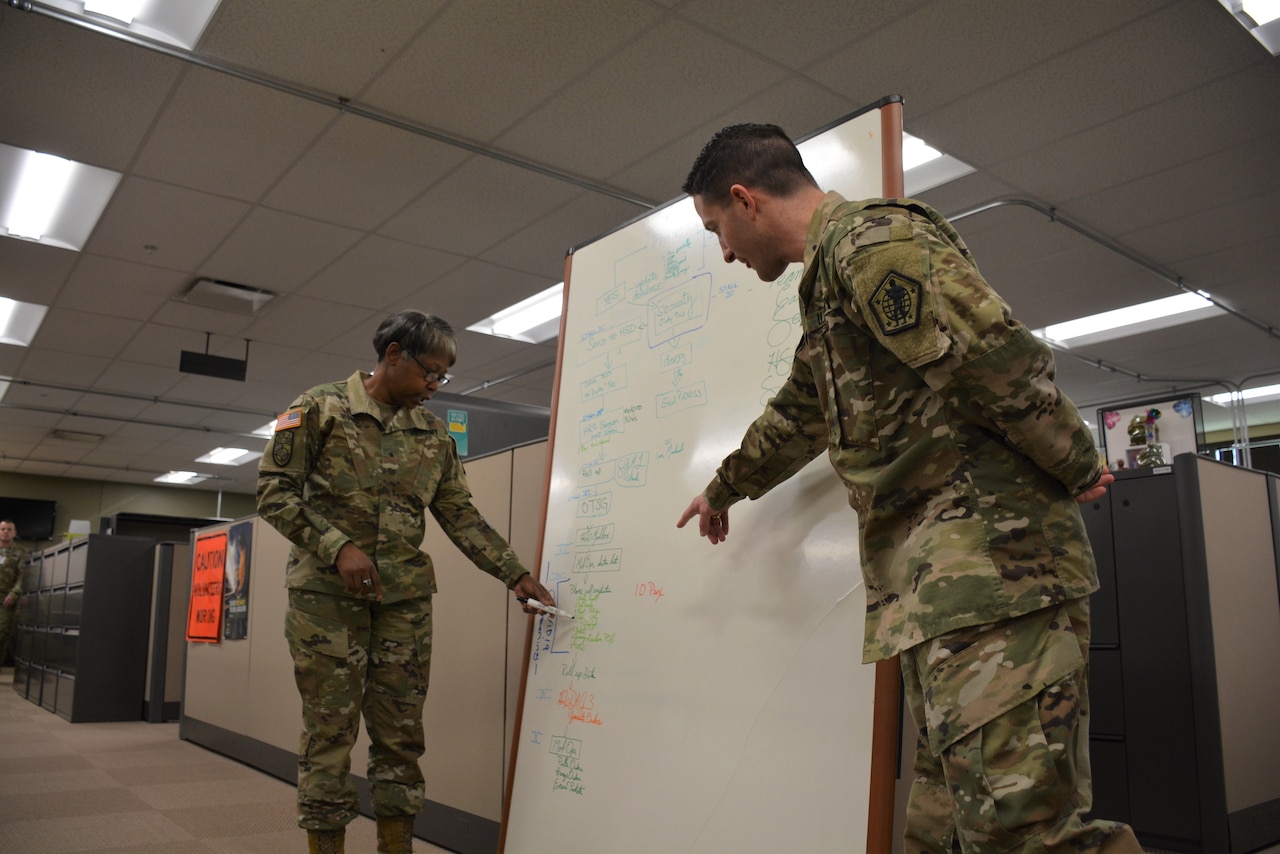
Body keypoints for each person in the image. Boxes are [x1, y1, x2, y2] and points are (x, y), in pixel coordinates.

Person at [674, 124, 1142, 854]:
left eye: (717, 231)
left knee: (1024, 835)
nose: (726, 252)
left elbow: (992, 358)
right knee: (947, 827)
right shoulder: (828, 282)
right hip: (940, 591)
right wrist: (726, 487)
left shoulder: (874, 244)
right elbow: (805, 407)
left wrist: (1076, 461)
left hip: (995, 575)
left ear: (744, 200)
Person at [257, 310, 557, 854]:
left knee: (401, 741)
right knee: (329, 736)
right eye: (430, 373)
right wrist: (337, 546)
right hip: (326, 602)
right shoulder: (319, 407)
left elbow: (460, 514)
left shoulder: (434, 435)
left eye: (443, 377)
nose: (434, 387)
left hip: (404, 605)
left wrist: (514, 572)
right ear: (393, 356)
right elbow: (274, 493)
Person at [0, 519, 30, 668]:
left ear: (14, 533)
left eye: (9, 529)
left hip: (6, 598)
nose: (5, 532)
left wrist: (14, 594)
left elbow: (22, 576)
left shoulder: (21, 552)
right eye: (3, 529)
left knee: (2, 632)